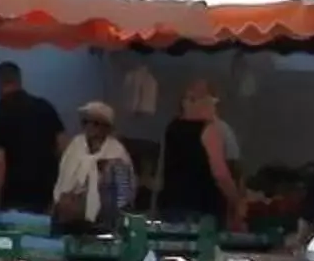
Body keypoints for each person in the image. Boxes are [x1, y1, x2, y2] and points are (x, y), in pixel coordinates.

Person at [156, 78, 245, 225]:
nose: (215, 108)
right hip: (201, 211)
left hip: (172, 206)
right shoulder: (209, 130)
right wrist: (236, 201)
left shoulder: (172, 128)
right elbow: (220, 173)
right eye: (213, 102)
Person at [0, 62, 67, 215]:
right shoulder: (45, 107)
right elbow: (63, 149)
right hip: (46, 193)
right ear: (20, 80)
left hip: (14, 197)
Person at [51, 102, 137, 233]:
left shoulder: (117, 153)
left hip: (102, 221)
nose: (89, 127)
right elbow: (63, 179)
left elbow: (124, 197)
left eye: (95, 123)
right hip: (69, 216)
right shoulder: (76, 145)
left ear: (107, 128)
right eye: (85, 122)